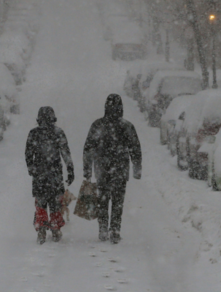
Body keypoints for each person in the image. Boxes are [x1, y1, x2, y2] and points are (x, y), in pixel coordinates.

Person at [83, 94, 142, 244]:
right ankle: (115, 229)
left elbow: (88, 148)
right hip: (120, 168)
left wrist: (87, 170)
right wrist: (137, 168)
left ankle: (103, 228)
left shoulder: (97, 125)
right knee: (118, 200)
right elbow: (135, 148)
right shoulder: (126, 126)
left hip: (101, 168)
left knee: (102, 199)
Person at [25, 106, 74, 244]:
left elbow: (28, 153)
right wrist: (70, 170)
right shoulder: (58, 133)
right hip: (55, 174)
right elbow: (66, 153)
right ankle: (55, 227)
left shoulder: (33, 134)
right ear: (53, 119)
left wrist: (31, 168)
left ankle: (41, 227)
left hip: (39, 174)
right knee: (55, 202)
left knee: (40, 202)